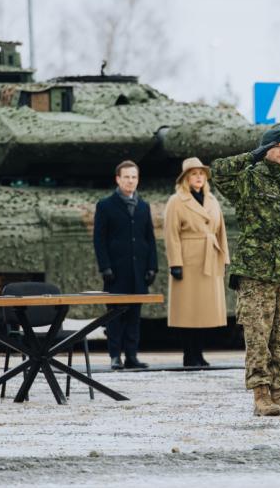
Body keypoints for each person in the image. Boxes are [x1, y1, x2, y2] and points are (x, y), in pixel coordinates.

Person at [211, 124, 280, 416]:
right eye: (276, 146)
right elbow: (218, 171)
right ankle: (261, 396)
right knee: (258, 336)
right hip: (256, 273)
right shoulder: (248, 180)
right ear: (265, 149)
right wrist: (252, 156)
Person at [164, 157, 230, 367]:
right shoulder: (176, 201)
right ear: (186, 178)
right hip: (188, 260)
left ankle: (199, 353)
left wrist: (224, 258)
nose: (199, 177)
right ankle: (189, 354)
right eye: (194, 174)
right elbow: (171, 234)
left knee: (204, 310)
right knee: (188, 310)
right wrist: (175, 263)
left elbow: (221, 232)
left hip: (210, 256)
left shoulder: (212, 200)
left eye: (201, 174)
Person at [92, 160, 158, 370]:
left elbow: (149, 238)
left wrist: (152, 267)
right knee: (115, 315)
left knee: (134, 316)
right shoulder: (105, 205)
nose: (130, 181)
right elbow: (99, 239)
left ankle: (131, 356)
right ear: (118, 179)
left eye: (134, 177)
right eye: (126, 177)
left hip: (138, 271)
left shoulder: (143, 206)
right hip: (116, 271)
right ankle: (115, 356)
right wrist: (105, 267)